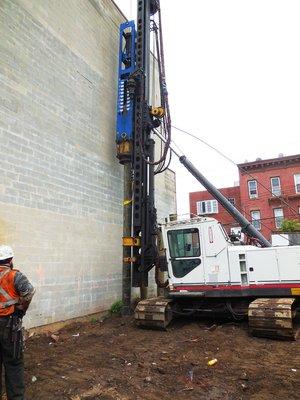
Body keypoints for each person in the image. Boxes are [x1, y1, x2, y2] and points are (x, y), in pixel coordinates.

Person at [0, 245, 35, 400]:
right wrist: (21, 310)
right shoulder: (15, 276)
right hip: (9, 326)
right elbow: (29, 292)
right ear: (11, 260)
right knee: (13, 364)